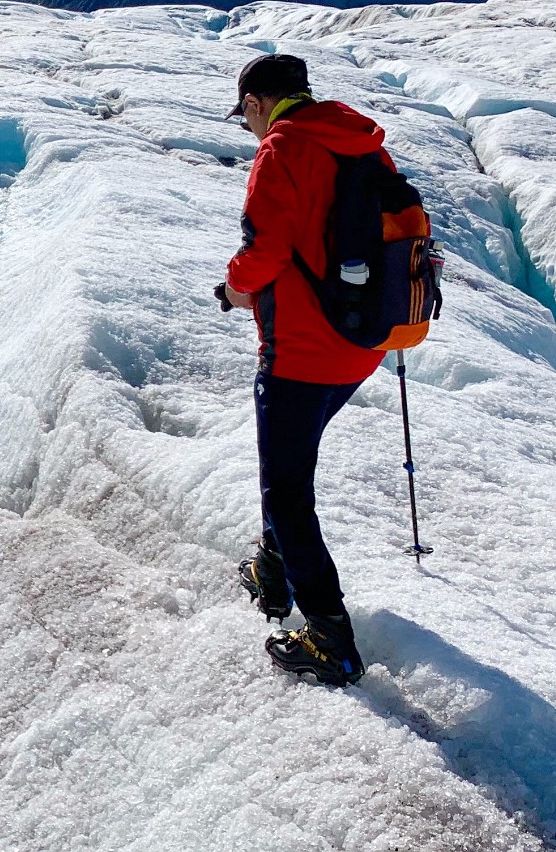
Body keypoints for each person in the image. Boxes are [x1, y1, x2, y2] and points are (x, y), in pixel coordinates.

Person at [220, 53, 394, 687]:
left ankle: (330, 637)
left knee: (287, 490)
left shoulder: (282, 151)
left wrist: (236, 288)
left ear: (262, 102)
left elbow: (263, 250)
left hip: (301, 349)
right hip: (362, 342)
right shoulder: (359, 140)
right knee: (289, 466)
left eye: (245, 114)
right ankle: (273, 572)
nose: (247, 127)